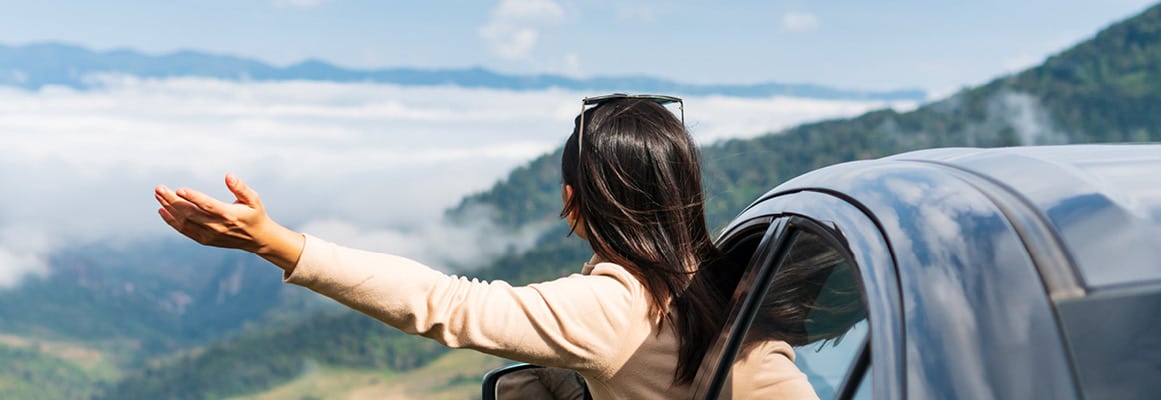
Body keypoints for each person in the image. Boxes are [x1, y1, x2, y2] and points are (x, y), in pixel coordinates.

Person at [154, 94, 818, 399]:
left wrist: (277, 243)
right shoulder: (740, 277)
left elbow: (443, 304)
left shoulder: (613, 308)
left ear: (572, 202)